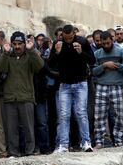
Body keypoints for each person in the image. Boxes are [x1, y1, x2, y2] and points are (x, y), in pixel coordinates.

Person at [48, 24, 95, 153]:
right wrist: (57, 53)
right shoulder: (58, 42)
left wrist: (81, 53)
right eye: (65, 37)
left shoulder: (82, 41)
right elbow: (50, 64)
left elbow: (92, 60)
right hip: (64, 84)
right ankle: (63, 145)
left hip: (81, 82)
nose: (68, 40)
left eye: (70, 38)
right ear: (62, 34)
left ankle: (86, 142)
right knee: (63, 115)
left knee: (81, 113)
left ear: (74, 34)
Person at [0, 31, 44, 157]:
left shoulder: (30, 56)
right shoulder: (8, 55)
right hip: (10, 97)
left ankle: (30, 151)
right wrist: (5, 54)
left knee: (28, 128)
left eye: (20, 44)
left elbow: (39, 66)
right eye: (15, 44)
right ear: (11, 44)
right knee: (12, 129)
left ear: (24, 44)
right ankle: (13, 152)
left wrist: (31, 50)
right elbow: (0, 68)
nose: (17, 47)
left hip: (26, 97)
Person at [92, 31, 123, 148]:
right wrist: (104, 65)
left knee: (120, 115)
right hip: (101, 86)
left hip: (117, 85)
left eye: (108, 43)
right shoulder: (97, 53)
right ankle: (99, 141)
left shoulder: (121, 51)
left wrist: (116, 65)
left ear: (112, 40)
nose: (106, 45)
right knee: (99, 115)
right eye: (103, 43)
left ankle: (119, 140)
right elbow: (93, 72)